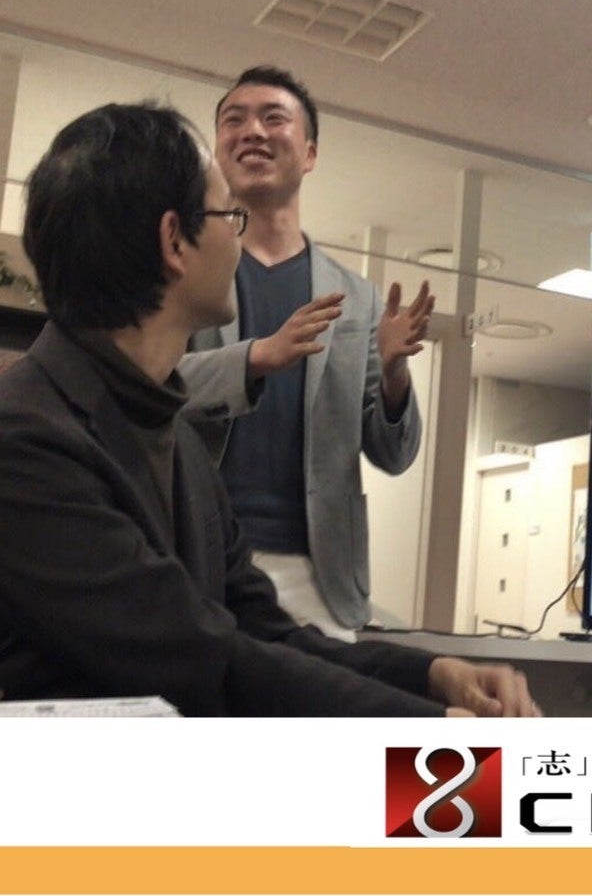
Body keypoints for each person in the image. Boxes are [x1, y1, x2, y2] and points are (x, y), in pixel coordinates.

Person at [0, 102, 538, 717]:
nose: (239, 240)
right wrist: (438, 740)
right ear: (174, 242)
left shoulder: (177, 442)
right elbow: (204, 662)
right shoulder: (18, 439)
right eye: (229, 216)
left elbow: (264, 632)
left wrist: (431, 675)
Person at [177, 66, 434, 640]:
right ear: (218, 147)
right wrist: (254, 358)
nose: (252, 131)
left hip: (323, 577)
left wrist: (394, 374)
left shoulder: (357, 297)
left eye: (273, 118)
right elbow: (154, 383)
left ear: (310, 152)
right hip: (200, 562)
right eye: (234, 120)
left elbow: (393, 454)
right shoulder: (187, 272)